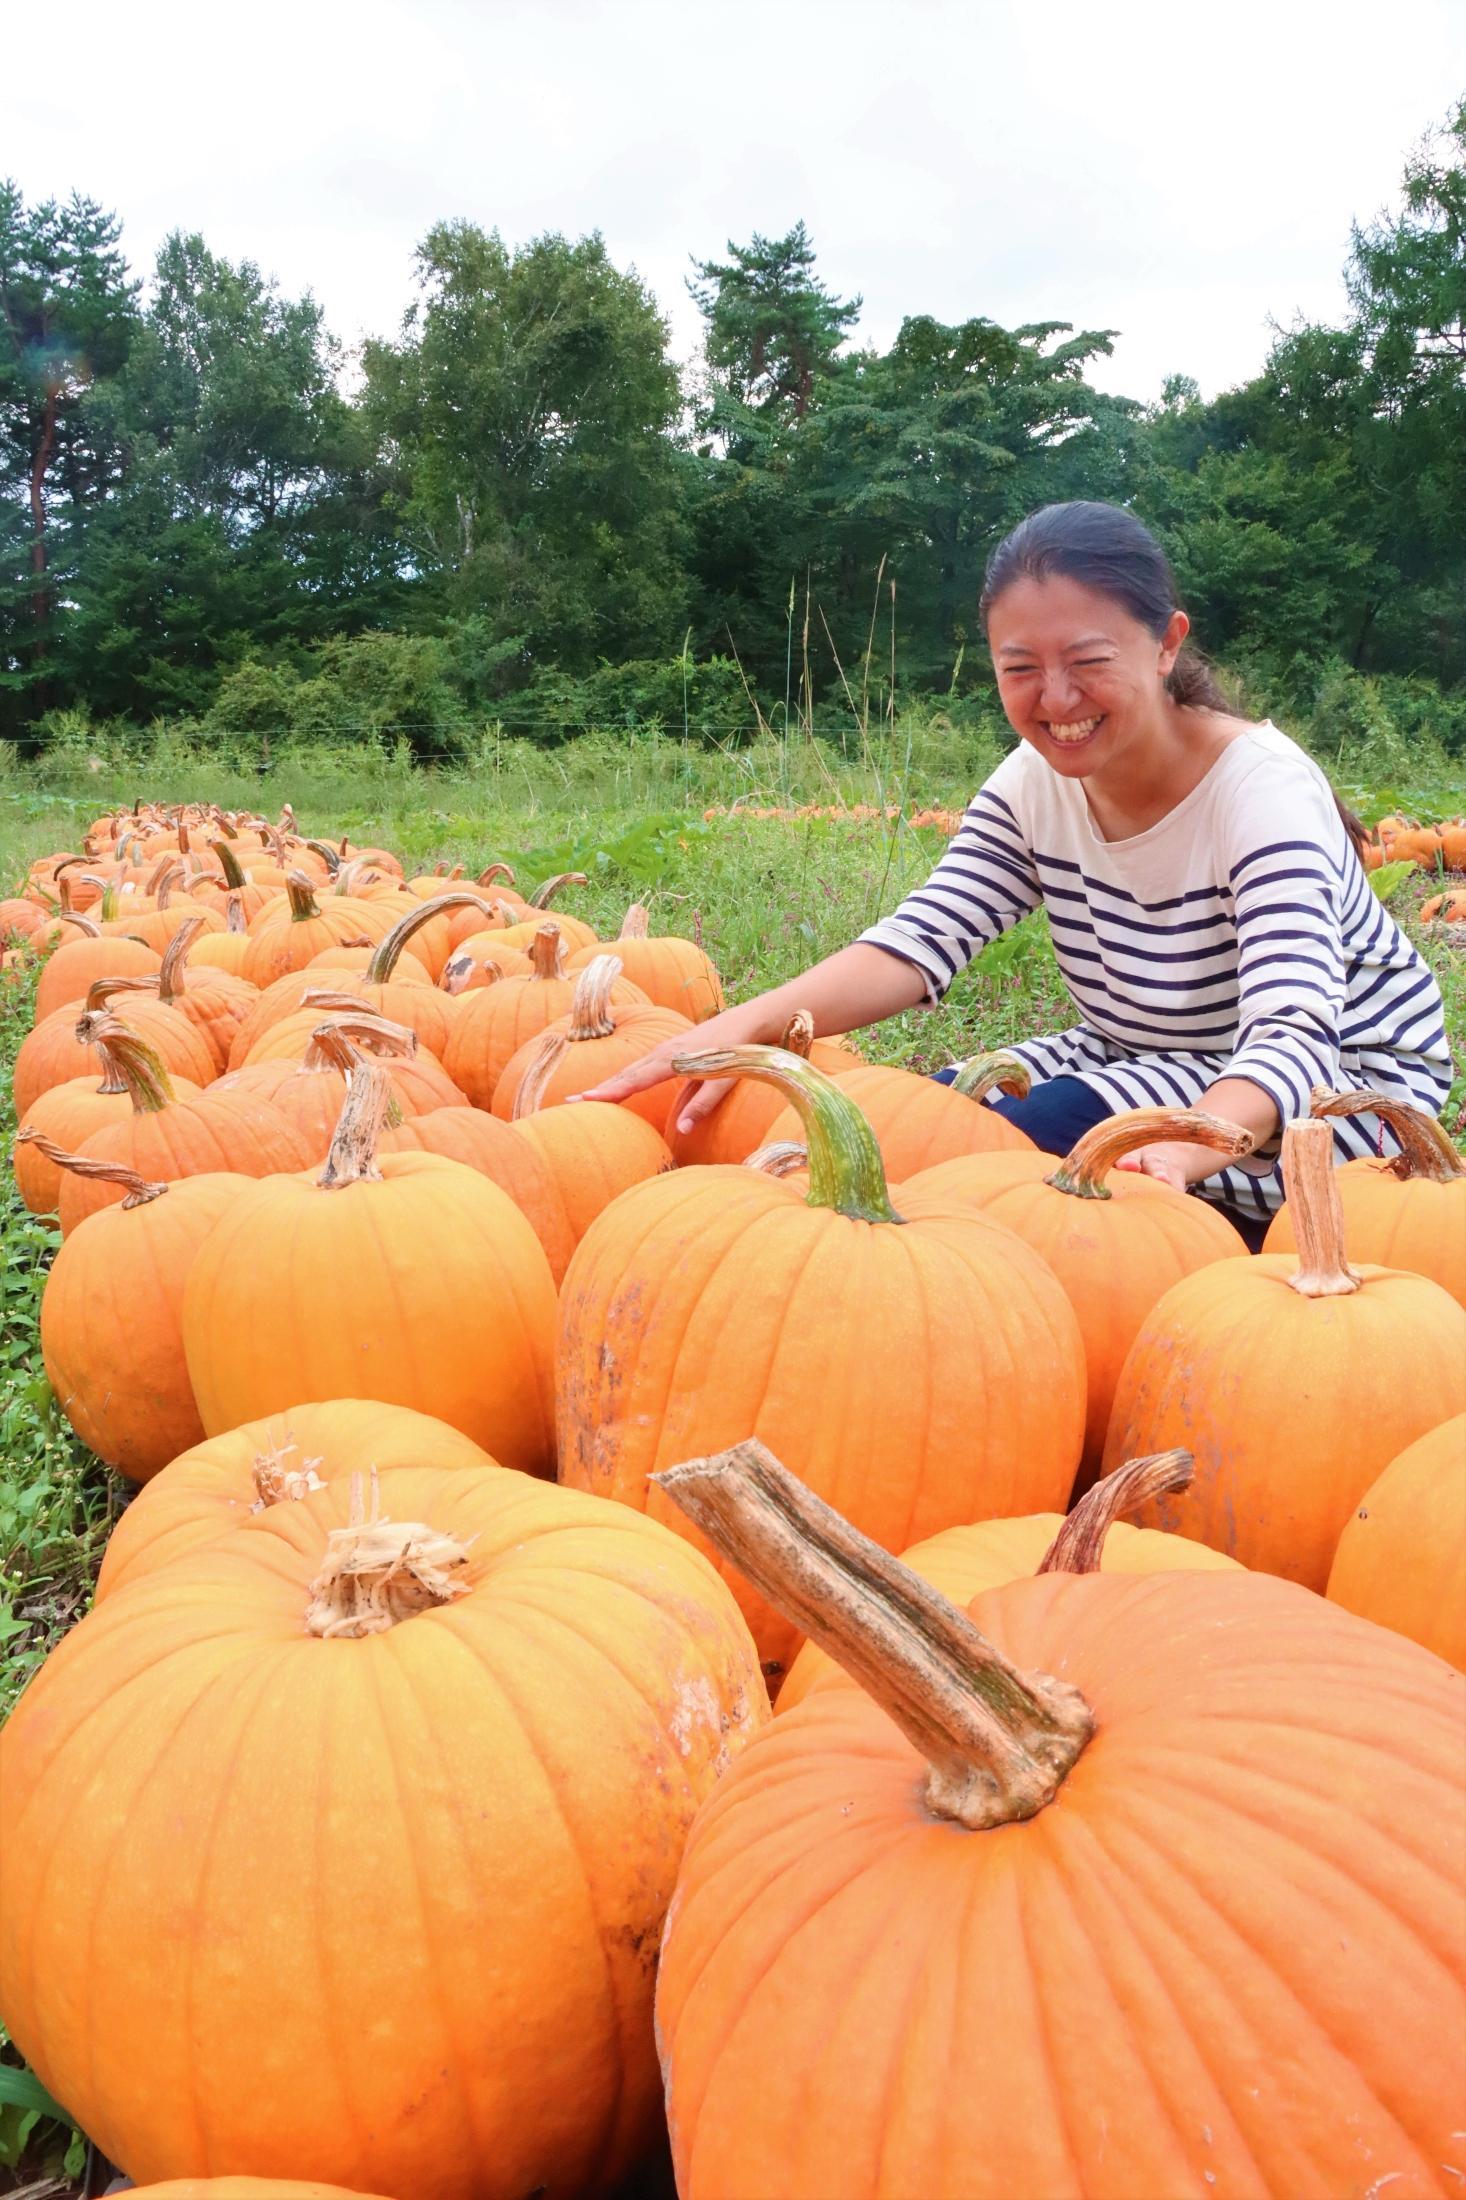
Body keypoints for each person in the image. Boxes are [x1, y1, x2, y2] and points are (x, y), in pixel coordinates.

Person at [579, 501, 1452, 1244]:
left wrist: (1190, 1146)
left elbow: (1295, 1024)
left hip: (1339, 1091)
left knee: (1020, 1152)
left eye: (1087, 662)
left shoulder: (1259, 791)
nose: (1057, 700)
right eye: (1021, 669)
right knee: (923, 1122)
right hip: (1142, 1053)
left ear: (1164, 644)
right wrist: (744, 1027)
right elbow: (923, 941)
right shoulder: (1035, 785)